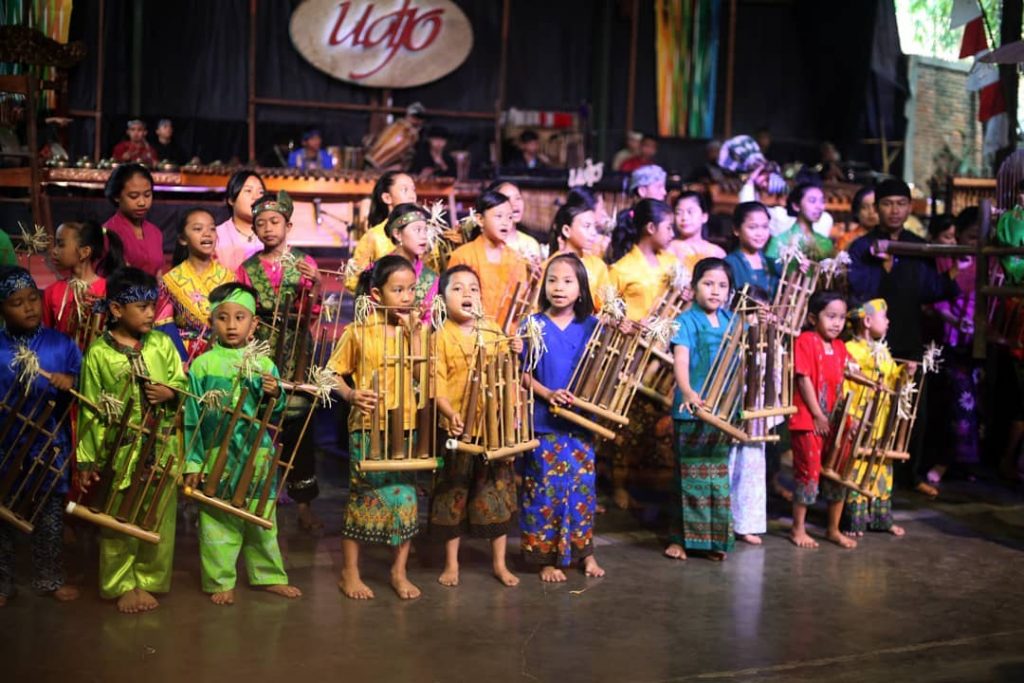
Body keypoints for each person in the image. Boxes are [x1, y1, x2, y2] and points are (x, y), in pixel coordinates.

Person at [182, 282, 302, 605]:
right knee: (217, 518)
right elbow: (191, 419)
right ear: (212, 323)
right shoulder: (202, 365)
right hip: (214, 452)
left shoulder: (264, 365)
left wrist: (274, 394)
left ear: (254, 325)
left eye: (239, 317)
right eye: (222, 318)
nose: (231, 325)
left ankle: (269, 575)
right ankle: (220, 578)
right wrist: (193, 463)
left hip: (256, 453)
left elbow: (273, 412)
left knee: (261, 514)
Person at [76, 267, 188, 613]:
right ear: (115, 310)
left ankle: (150, 580)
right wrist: (86, 459)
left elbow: (183, 385)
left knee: (157, 516)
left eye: (153, 305)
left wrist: (171, 391)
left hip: (162, 447)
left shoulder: (162, 344)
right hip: (120, 452)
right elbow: (91, 410)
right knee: (118, 518)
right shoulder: (99, 353)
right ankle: (120, 583)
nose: (151, 313)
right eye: (141, 307)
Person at [847, 178, 958, 496]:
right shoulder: (861, 247)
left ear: (909, 208)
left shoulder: (919, 246)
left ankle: (913, 474)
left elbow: (931, 290)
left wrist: (951, 276)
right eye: (886, 203)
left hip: (910, 338)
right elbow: (858, 291)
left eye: (900, 204)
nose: (894, 210)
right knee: (871, 408)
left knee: (913, 411)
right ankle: (864, 471)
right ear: (876, 208)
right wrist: (882, 268)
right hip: (873, 346)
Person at [328, 255, 425, 600]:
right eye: (397, 289)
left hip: (408, 426)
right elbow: (330, 373)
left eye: (411, 289)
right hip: (367, 427)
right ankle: (349, 572)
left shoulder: (417, 331)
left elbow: (423, 378)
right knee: (362, 496)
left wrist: (414, 336)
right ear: (376, 294)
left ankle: (399, 572)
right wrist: (351, 394)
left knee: (406, 498)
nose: (406, 297)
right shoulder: (358, 331)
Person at [430, 265, 521, 588]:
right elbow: (437, 386)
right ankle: (451, 563)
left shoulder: (494, 330)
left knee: (496, 494)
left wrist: (514, 352)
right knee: (452, 495)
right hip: (456, 429)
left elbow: (506, 379)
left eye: (473, 288)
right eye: (458, 288)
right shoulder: (439, 336)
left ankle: (499, 563)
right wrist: (448, 412)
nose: (467, 293)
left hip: (491, 429)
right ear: (442, 299)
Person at [236, 190, 322, 530]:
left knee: (300, 426)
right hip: (261, 349)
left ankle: (304, 507)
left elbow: (314, 309)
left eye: (274, 222)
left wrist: (315, 284)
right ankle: (254, 496)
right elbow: (242, 309)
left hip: (297, 348)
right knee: (257, 422)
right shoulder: (248, 268)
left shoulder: (304, 263)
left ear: (288, 224)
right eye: (261, 223)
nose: (268, 228)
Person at [0, 266, 81, 607]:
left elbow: (81, 381)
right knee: (2, 515)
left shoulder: (61, 344)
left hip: (50, 447)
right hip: (5, 446)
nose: (29, 307)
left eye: (33, 298)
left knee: (49, 515)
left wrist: (70, 382)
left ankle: (49, 578)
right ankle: (3, 583)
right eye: (17, 302)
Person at [521, 254, 604, 581]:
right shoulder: (533, 324)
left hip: (581, 424)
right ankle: (547, 559)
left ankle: (585, 555)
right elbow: (522, 374)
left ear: (581, 289)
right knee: (545, 489)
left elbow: (609, 364)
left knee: (583, 490)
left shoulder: (593, 326)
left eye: (568, 281)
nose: (558, 287)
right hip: (545, 423)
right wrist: (548, 394)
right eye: (552, 280)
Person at [606, 199, 681, 509]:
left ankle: (651, 486)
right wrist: (631, 322)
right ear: (651, 228)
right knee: (627, 423)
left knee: (658, 424)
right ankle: (619, 485)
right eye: (669, 227)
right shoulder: (621, 268)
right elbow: (608, 311)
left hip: (665, 355)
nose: (673, 233)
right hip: (633, 355)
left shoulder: (672, 264)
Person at [666, 258, 735, 561]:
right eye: (708, 283)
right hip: (691, 410)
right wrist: (689, 392)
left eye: (722, 285)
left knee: (717, 478)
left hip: (723, 413)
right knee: (690, 476)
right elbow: (681, 360)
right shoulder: (685, 320)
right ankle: (681, 540)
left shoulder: (735, 321)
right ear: (693, 287)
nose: (715, 291)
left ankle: (711, 542)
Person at [788, 290, 856, 549]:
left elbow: (851, 372)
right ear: (813, 318)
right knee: (808, 472)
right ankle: (797, 529)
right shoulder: (806, 340)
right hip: (809, 419)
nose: (837, 323)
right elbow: (803, 378)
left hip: (835, 424)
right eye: (831, 316)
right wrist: (817, 414)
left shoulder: (840, 347)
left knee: (837, 472)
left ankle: (833, 529)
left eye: (841, 317)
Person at [925, 207, 981, 487]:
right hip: (949, 341)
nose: (976, 241)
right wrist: (956, 323)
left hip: (979, 342)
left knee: (970, 405)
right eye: (972, 236)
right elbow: (938, 300)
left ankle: (963, 462)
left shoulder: (989, 263)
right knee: (953, 404)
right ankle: (945, 461)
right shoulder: (945, 261)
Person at [842, 299, 905, 537]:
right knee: (857, 466)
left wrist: (903, 373)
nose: (888, 321)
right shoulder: (850, 350)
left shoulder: (883, 350)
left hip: (881, 421)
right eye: (883, 316)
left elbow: (891, 377)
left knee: (881, 465)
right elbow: (846, 386)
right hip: (861, 417)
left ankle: (881, 518)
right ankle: (853, 520)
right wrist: (850, 416)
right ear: (867, 321)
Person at [155, 208, 235, 362]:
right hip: (183, 354)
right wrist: (181, 361)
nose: (207, 233)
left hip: (221, 355)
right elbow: (163, 324)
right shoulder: (171, 280)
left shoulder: (229, 277)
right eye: (198, 229)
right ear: (182, 239)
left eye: (212, 228)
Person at [447, 190, 528, 325]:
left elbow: (519, 309)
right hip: (471, 335)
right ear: (480, 219)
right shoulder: (462, 256)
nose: (505, 223)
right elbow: (452, 302)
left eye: (509, 217)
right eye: (499, 216)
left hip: (505, 339)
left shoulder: (517, 260)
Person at [43, 221, 123, 343]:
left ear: (84, 252)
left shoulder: (108, 290)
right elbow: (45, 336)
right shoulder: (51, 292)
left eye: (61, 244)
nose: (54, 251)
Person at [344, 171, 417, 291]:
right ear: (387, 198)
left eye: (413, 190)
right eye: (405, 190)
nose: (412, 196)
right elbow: (352, 280)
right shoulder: (374, 236)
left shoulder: (426, 233)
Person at [102, 163, 165, 277]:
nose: (142, 202)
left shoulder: (155, 232)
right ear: (117, 196)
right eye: (134, 196)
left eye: (147, 195)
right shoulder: (108, 232)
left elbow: (159, 275)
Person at [547, 200, 610, 309]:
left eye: (594, 227)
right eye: (587, 226)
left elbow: (605, 307)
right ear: (567, 230)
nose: (593, 232)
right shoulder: (548, 266)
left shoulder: (598, 266)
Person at [383, 203, 438, 316]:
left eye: (425, 230)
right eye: (417, 230)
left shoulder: (431, 279)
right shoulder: (376, 270)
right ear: (397, 234)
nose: (423, 236)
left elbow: (430, 321)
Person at [765, 183, 834, 263]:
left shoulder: (825, 242)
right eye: (812, 201)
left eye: (822, 201)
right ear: (796, 206)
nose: (819, 206)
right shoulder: (780, 242)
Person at [724, 202, 779, 296]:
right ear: (736, 230)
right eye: (753, 227)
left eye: (765, 227)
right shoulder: (729, 263)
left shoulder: (773, 264)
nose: (760, 233)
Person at [216, 171, 267, 272]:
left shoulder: (272, 233)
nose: (256, 197)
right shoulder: (217, 235)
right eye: (248, 191)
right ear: (231, 200)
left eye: (261, 192)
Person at [667, 191, 725, 274]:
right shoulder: (668, 248)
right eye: (678, 213)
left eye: (690, 212)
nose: (684, 218)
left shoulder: (717, 253)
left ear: (704, 217)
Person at [488, 180, 544, 262]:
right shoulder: (487, 243)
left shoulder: (530, 244)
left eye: (518, 198)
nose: (515, 204)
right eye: (507, 198)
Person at [834, 186, 878, 252]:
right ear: (857, 212)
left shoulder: (890, 237)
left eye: (875, 206)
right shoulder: (846, 240)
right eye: (865, 207)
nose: (871, 212)